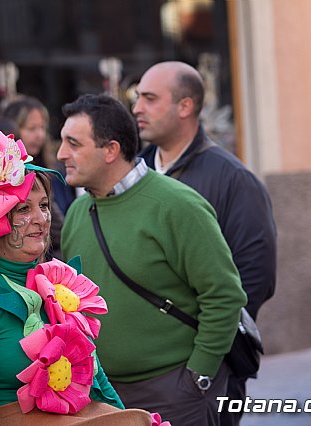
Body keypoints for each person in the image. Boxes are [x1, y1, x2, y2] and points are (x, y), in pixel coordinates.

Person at [0, 130, 152, 425]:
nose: (40, 218)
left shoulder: (56, 286)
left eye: (44, 205)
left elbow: (97, 382)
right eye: (24, 209)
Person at [58, 94, 247, 426]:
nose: (61, 154)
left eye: (73, 144)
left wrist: (198, 375)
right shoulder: (76, 213)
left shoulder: (177, 205)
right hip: (102, 396)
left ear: (110, 150)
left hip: (174, 393)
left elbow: (224, 295)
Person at [134, 61, 277, 426]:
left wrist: (203, 363)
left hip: (206, 375)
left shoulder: (233, 179)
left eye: (150, 99)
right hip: (143, 377)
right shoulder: (134, 174)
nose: (137, 108)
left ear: (185, 107)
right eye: (137, 98)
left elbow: (254, 278)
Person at [2, 95, 75, 215]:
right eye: (31, 128)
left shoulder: (55, 173)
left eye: (42, 128)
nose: (40, 135)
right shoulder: (4, 179)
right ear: (12, 131)